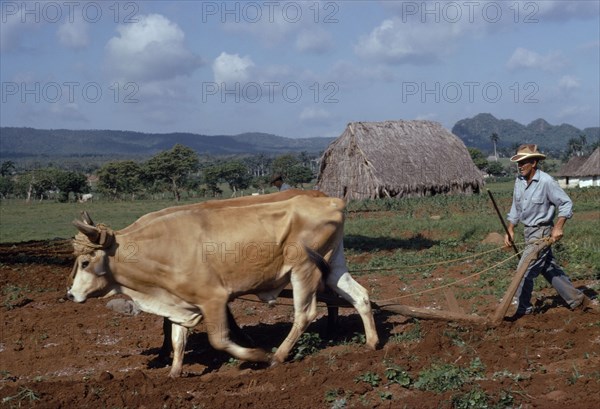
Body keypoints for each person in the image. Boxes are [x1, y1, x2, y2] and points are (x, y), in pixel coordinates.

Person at [504, 144, 590, 319]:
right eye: (518, 163)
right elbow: (515, 207)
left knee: (523, 272)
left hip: (542, 233)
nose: (520, 166)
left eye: (524, 163)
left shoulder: (546, 182)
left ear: (534, 162)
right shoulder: (518, 181)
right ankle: (577, 300)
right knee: (548, 268)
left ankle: (523, 311)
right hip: (528, 233)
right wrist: (510, 229)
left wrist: (558, 227)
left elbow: (566, 203)